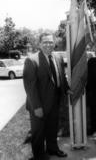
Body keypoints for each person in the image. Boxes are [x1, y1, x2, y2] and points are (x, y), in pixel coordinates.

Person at [23, 32, 70, 160]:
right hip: (39, 104)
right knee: (38, 132)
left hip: (55, 102)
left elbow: (61, 77)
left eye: (50, 42)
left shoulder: (58, 57)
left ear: (54, 43)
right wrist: (37, 107)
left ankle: (53, 149)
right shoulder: (32, 60)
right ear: (39, 44)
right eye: (45, 42)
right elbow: (30, 87)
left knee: (52, 128)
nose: (48, 44)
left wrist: (67, 90)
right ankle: (39, 155)